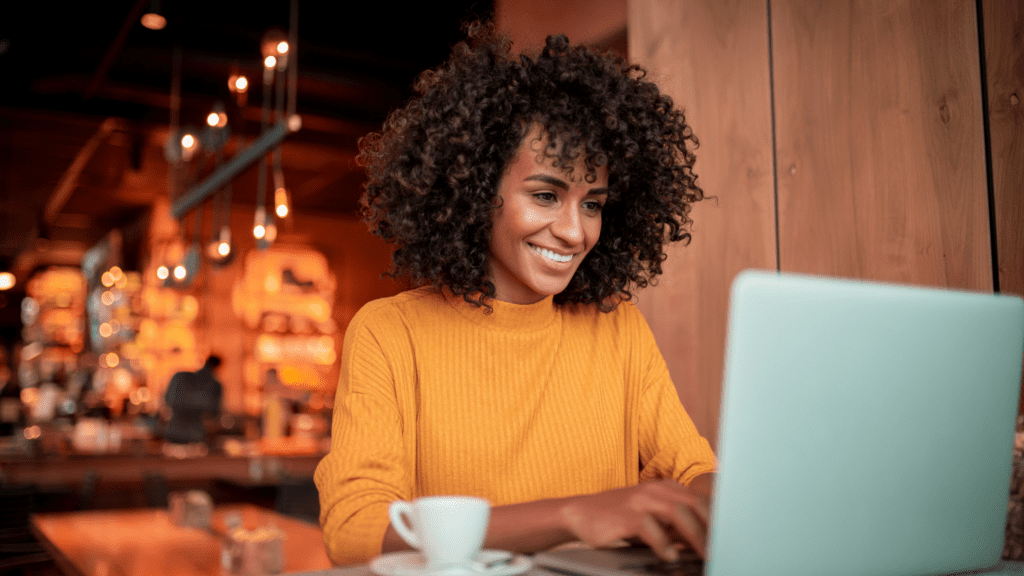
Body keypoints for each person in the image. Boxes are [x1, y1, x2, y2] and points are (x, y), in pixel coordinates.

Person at [314, 22, 715, 566]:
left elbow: (696, 473)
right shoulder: (391, 333)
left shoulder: (616, 327)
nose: (576, 232)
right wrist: (572, 514)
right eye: (546, 194)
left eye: (592, 203)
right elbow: (355, 530)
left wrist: (716, 501)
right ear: (477, 192)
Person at [164, 355, 223, 445]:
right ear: (217, 367)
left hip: (175, 433)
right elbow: (214, 413)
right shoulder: (214, 385)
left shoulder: (179, 377)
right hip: (194, 436)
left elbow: (167, 399)